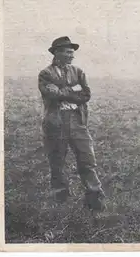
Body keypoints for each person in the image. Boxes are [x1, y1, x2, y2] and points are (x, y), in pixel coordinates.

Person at [38, 36, 106, 212]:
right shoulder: (45, 74)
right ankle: (60, 199)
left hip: (77, 121)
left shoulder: (78, 71)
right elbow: (51, 94)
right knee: (57, 161)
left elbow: (87, 95)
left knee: (87, 159)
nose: (71, 56)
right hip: (55, 123)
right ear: (57, 53)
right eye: (68, 52)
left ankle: (94, 197)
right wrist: (73, 93)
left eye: (72, 53)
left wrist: (64, 92)